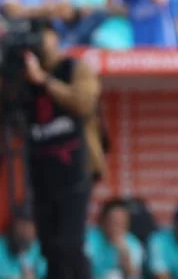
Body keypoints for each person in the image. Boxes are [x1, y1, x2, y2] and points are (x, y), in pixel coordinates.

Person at [11, 18, 104, 279]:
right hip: (41, 171)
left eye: (44, 35)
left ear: (55, 37)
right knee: (49, 246)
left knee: (70, 244)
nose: (40, 42)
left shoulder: (74, 67)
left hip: (76, 168)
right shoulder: (23, 74)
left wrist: (44, 80)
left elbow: (84, 103)